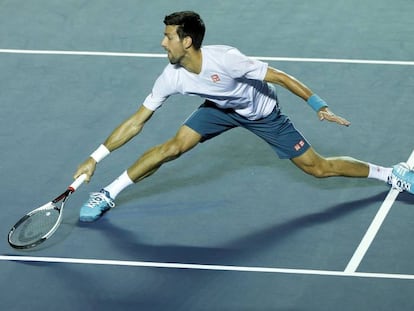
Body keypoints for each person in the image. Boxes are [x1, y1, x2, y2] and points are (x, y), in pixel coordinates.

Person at [74, 11, 413, 222]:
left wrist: (318, 105)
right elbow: (137, 121)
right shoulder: (172, 76)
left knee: (318, 168)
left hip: (263, 113)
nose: (163, 43)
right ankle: (108, 193)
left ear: (187, 41)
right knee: (172, 147)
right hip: (220, 110)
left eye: (168, 37)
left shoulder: (228, 60)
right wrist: (94, 158)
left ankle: (389, 173)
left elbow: (280, 77)